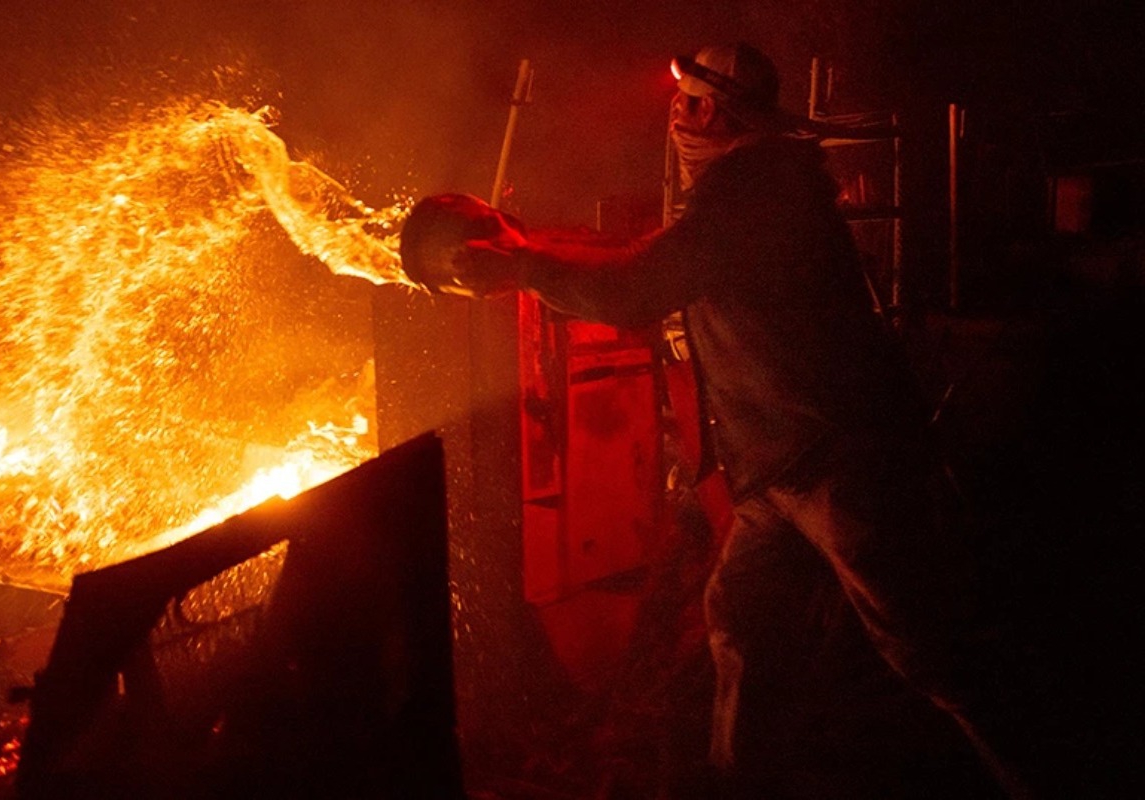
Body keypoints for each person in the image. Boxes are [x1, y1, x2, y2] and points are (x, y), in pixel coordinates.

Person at [430, 41, 1037, 798]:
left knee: (931, 648)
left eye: (684, 102)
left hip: (841, 456)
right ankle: (741, 784)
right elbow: (649, 259)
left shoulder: (754, 190)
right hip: (779, 468)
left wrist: (521, 268)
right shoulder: (746, 186)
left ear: (709, 111)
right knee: (746, 626)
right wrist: (530, 247)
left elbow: (635, 290)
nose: (674, 115)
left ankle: (1049, 770)